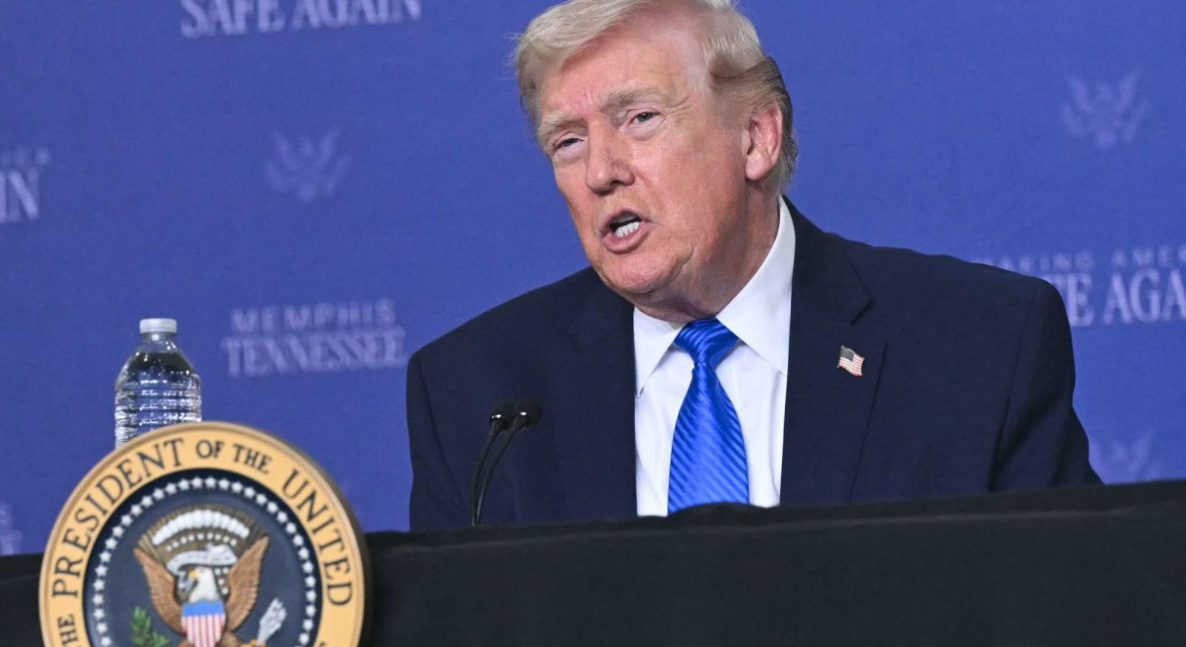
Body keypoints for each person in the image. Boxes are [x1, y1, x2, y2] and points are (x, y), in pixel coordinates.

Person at [406, 0, 1099, 531]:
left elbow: (1063, 625)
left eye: (639, 118)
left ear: (756, 138)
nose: (600, 171)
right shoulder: (479, 396)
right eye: (567, 141)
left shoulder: (976, 348)